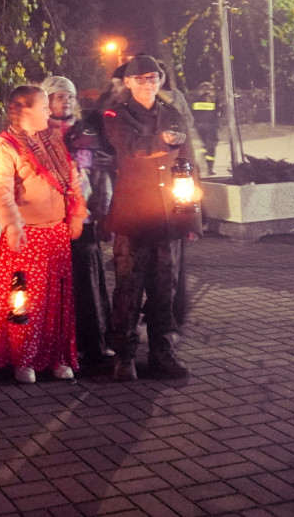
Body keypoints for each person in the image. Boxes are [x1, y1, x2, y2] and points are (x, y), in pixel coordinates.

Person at [103, 56, 202, 381]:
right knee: (129, 288)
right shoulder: (116, 115)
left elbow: (188, 163)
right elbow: (132, 147)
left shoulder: (173, 114)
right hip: (133, 216)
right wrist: (164, 141)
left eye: (154, 77)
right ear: (129, 82)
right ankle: (125, 355)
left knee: (165, 290)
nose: (149, 82)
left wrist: (192, 217)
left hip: (169, 215)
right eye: (141, 78)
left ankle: (162, 352)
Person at [0, 86, 86, 384]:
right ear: (25, 110)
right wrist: (12, 224)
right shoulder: (5, 147)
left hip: (56, 234)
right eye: (44, 106)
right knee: (24, 300)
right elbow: (0, 191)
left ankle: (56, 357)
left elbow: (73, 180)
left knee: (55, 301)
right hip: (26, 237)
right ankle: (23, 359)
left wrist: (77, 214)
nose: (49, 111)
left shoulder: (53, 141)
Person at [43, 76, 114, 368]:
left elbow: (101, 173)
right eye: (59, 97)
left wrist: (103, 207)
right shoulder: (39, 134)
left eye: (69, 96)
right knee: (54, 286)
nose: (66, 101)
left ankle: (94, 344)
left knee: (88, 283)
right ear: (46, 101)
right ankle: (55, 346)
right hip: (49, 221)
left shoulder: (87, 131)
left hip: (82, 219)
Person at [189, 82, 221, 176]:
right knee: (211, 147)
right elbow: (218, 113)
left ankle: (205, 153)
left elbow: (193, 114)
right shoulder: (213, 100)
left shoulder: (196, 100)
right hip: (210, 127)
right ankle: (210, 167)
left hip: (200, 127)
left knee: (206, 144)